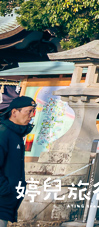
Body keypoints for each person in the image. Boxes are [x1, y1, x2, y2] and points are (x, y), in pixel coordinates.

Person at [0, 96, 36, 226]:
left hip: (8, 202)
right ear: (14, 112)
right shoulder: (3, 133)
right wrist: (5, 190)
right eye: (29, 111)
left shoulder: (17, 134)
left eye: (34, 112)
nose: (31, 116)